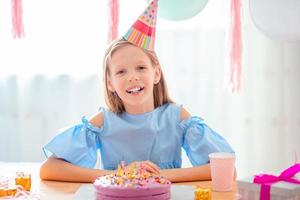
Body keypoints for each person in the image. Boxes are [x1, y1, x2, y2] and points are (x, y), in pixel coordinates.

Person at [40, 0, 234, 183]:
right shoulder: (103, 121)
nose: (132, 77)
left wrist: (159, 176)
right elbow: (49, 169)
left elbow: (228, 170)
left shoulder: (176, 117)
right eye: (121, 71)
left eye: (141, 68)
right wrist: (120, 175)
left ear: (156, 73)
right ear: (110, 83)